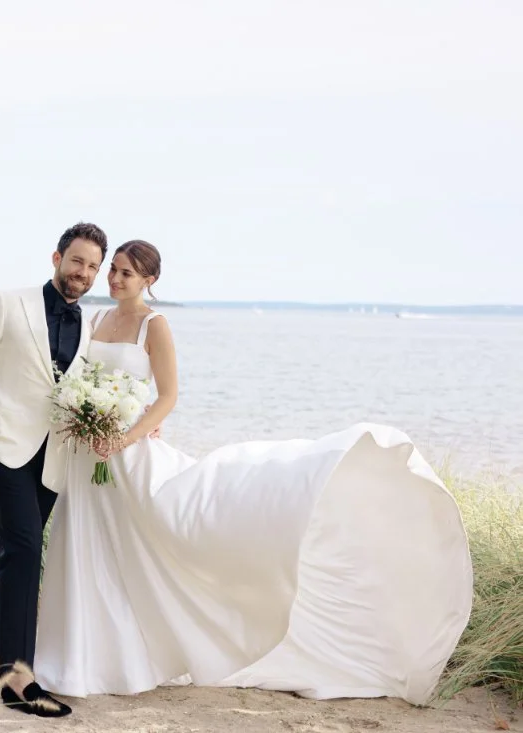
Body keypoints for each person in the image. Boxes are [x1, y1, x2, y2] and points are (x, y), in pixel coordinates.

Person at [33, 239, 474, 707]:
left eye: (125, 273)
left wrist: (126, 436)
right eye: (114, 271)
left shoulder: (154, 326)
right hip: (89, 459)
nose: (115, 279)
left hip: (127, 454)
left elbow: (167, 396)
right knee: (88, 551)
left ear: (149, 281)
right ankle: (82, 655)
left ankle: (137, 653)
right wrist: (84, 417)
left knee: (148, 547)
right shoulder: (98, 319)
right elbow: (83, 380)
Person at [0, 221, 105, 717]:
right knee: (24, 546)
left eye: (93, 267)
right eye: (77, 260)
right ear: (56, 258)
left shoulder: (91, 325)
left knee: (12, 550)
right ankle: (20, 678)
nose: (83, 272)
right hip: (4, 444)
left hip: (54, 454)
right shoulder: (6, 301)